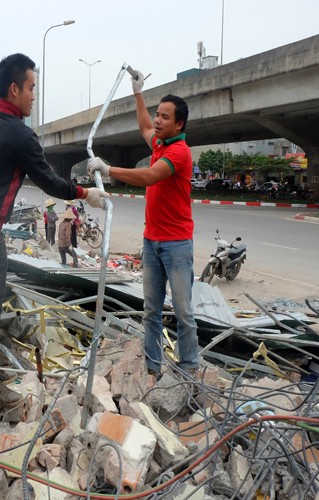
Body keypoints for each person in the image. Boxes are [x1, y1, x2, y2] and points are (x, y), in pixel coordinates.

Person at [0, 53, 108, 407]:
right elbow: (49, 181)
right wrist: (85, 193)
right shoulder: (21, 135)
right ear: (14, 88)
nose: (35, 95)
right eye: (32, 87)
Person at [88, 71, 198, 386]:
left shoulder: (178, 152)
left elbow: (150, 177)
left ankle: (189, 371)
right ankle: (153, 369)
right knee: (150, 311)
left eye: (165, 117)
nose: (158, 121)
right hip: (151, 243)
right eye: (158, 114)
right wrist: (138, 93)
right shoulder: (160, 143)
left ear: (179, 125)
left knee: (183, 312)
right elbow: (144, 127)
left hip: (177, 245)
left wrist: (108, 168)